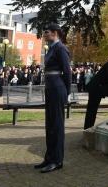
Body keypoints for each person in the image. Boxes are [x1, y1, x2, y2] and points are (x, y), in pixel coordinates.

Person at [34, 24, 72, 174]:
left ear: (55, 33)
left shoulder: (60, 48)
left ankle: (57, 160)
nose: (44, 35)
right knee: (49, 125)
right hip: (50, 89)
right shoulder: (51, 48)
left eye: (46, 32)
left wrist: (67, 93)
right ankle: (49, 158)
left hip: (58, 89)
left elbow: (67, 73)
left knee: (56, 125)